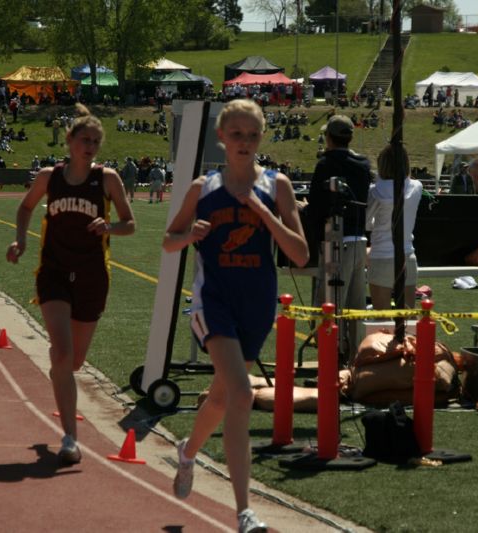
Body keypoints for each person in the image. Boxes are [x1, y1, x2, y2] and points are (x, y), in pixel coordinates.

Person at [164, 99, 308, 533]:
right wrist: (190, 234)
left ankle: (188, 452)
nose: (245, 142)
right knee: (243, 396)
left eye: (253, 134)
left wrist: (264, 213)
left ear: (261, 138)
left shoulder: (277, 186)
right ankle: (244, 511)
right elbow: (169, 242)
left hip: (257, 304)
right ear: (222, 138)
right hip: (215, 303)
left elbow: (299, 255)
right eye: (237, 134)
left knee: (224, 397)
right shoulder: (202, 189)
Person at [6, 103, 135, 466]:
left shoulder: (107, 179)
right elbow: (25, 207)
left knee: (73, 362)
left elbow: (130, 223)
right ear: (70, 141)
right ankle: (69, 438)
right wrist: (21, 240)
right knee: (62, 355)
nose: (90, 145)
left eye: (95, 140)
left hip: (93, 275)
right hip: (55, 272)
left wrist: (109, 227)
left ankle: (60, 376)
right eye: (84, 139)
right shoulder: (50, 177)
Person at [308, 114, 372, 365]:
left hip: (336, 241)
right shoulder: (364, 164)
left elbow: (316, 207)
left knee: (331, 305)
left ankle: (330, 359)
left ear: (329, 138)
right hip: (359, 242)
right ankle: (355, 357)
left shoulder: (325, 164)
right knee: (356, 306)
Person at [366, 144, 424, 310]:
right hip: (407, 255)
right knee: (408, 317)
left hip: (381, 256)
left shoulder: (375, 190)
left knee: (381, 318)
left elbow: (365, 222)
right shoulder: (417, 186)